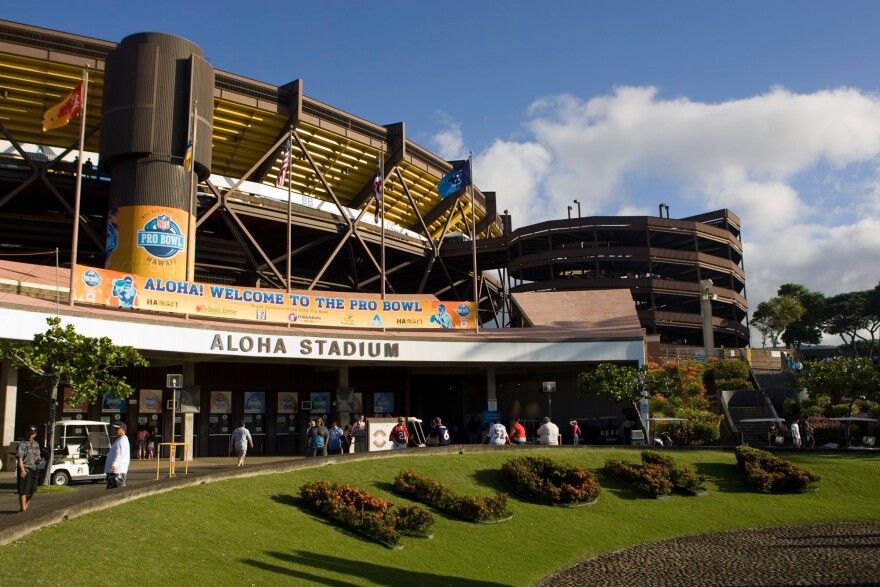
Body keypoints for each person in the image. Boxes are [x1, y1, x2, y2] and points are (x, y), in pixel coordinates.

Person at [16, 425, 42, 512]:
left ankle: (26, 505)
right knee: (23, 490)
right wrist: (22, 471)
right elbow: (19, 458)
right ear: (26, 433)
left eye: (33, 434)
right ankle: (23, 509)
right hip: (25, 468)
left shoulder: (36, 444)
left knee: (32, 490)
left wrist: (39, 460)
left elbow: (38, 455)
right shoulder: (22, 444)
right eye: (29, 433)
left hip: (34, 468)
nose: (31, 435)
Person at [105, 422, 130, 489]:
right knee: (110, 491)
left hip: (118, 471)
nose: (115, 430)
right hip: (114, 471)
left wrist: (114, 465)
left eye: (117, 429)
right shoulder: (119, 440)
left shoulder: (122, 441)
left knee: (116, 491)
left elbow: (119, 454)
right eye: (115, 429)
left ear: (123, 429)